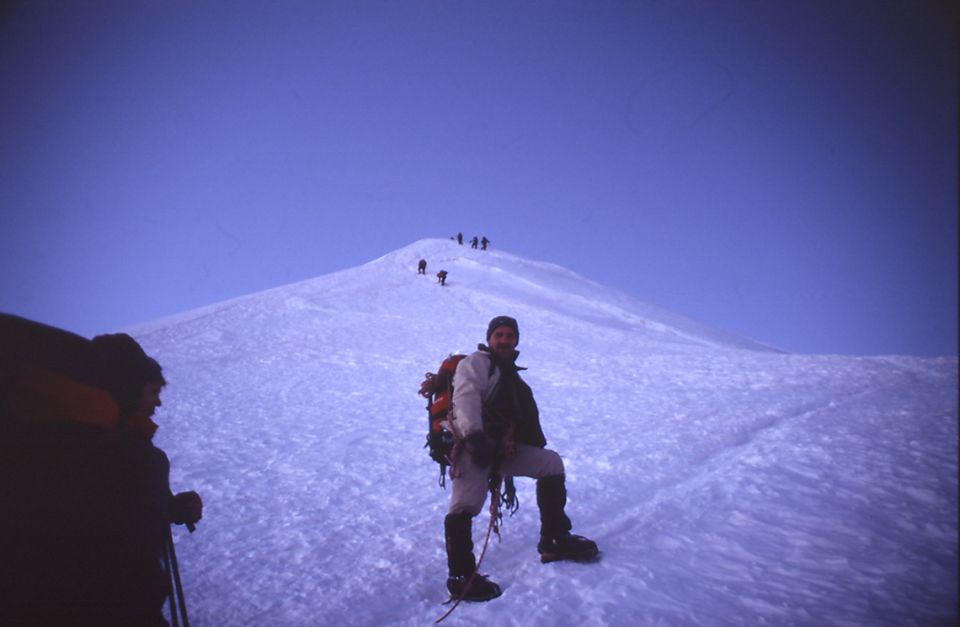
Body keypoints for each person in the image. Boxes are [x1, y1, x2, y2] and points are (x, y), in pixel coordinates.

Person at [441, 316, 598, 602]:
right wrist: (475, 437)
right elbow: (465, 398)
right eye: (499, 335)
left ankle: (554, 539)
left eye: (509, 335)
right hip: (470, 446)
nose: (504, 340)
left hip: (500, 449)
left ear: (516, 341)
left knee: (550, 464)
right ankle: (461, 577)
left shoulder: (509, 372)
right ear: (489, 338)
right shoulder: (477, 362)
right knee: (464, 506)